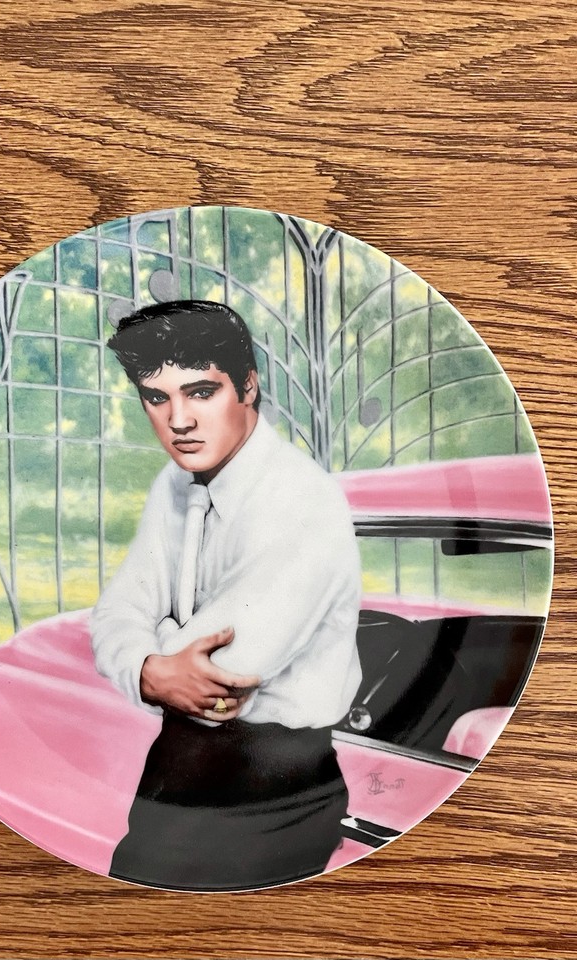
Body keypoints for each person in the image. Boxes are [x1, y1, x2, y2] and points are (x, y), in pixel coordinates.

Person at [90, 300, 362, 890]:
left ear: (248, 387)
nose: (178, 420)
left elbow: (224, 675)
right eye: (156, 398)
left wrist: (155, 644)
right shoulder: (174, 483)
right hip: (174, 767)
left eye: (200, 392)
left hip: (277, 785)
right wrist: (153, 668)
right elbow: (115, 612)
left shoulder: (304, 500)